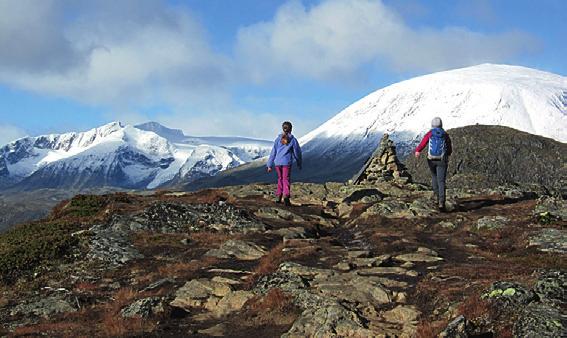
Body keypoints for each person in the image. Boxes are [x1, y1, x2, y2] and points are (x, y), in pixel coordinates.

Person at [415, 117, 453, 212]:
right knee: (441, 181)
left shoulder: (430, 133)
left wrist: (417, 151)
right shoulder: (445, 135)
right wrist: (447, 155)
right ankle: (441, 202)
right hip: (442, 160)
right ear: (441, 125)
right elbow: (449, 148)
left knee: (434, 177)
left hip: (431, 159)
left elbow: (423, 143)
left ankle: (436, 197)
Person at [267, 121, 302, 206]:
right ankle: (286, 197)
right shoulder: (293, 140)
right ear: (291, 129)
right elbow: (297, 152)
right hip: (286, 162)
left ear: (283, 128)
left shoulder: (278, 139)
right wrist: (299, 162)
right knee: (286, 179)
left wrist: (269, 165)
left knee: (280, 178)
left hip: (277, 163)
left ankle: (278, 196)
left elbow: (273, 152)